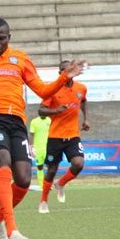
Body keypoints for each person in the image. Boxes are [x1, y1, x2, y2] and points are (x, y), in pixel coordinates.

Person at [0, 17, 85, 239]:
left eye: (1, 38)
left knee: (22, 178)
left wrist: (64, 77)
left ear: (9, 38)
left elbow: (41, 89)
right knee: (3, 160)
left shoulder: (20, 59)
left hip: (16, 122)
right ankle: (13, 230)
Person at [38, 60, 90, 214]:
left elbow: (84, 101)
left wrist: (86, 118)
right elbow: (41, 111)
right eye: (62, 70)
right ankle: (43, 201)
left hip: (73, 136)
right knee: (52, 169)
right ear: (60, 73)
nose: (64, 72)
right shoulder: (53, 90)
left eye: (67, 69)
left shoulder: (81, 88)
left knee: (78, 164)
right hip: (55, 137)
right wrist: (56, 111)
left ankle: (60, 184)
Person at [28, 112, 51, 188]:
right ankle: (42, 185)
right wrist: (31, 147)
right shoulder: (34, 121)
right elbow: (31, 134)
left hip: (48, 147)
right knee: (40, 167)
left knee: (50, 166)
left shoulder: (50, 121)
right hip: (38, 149)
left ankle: (48, 184)